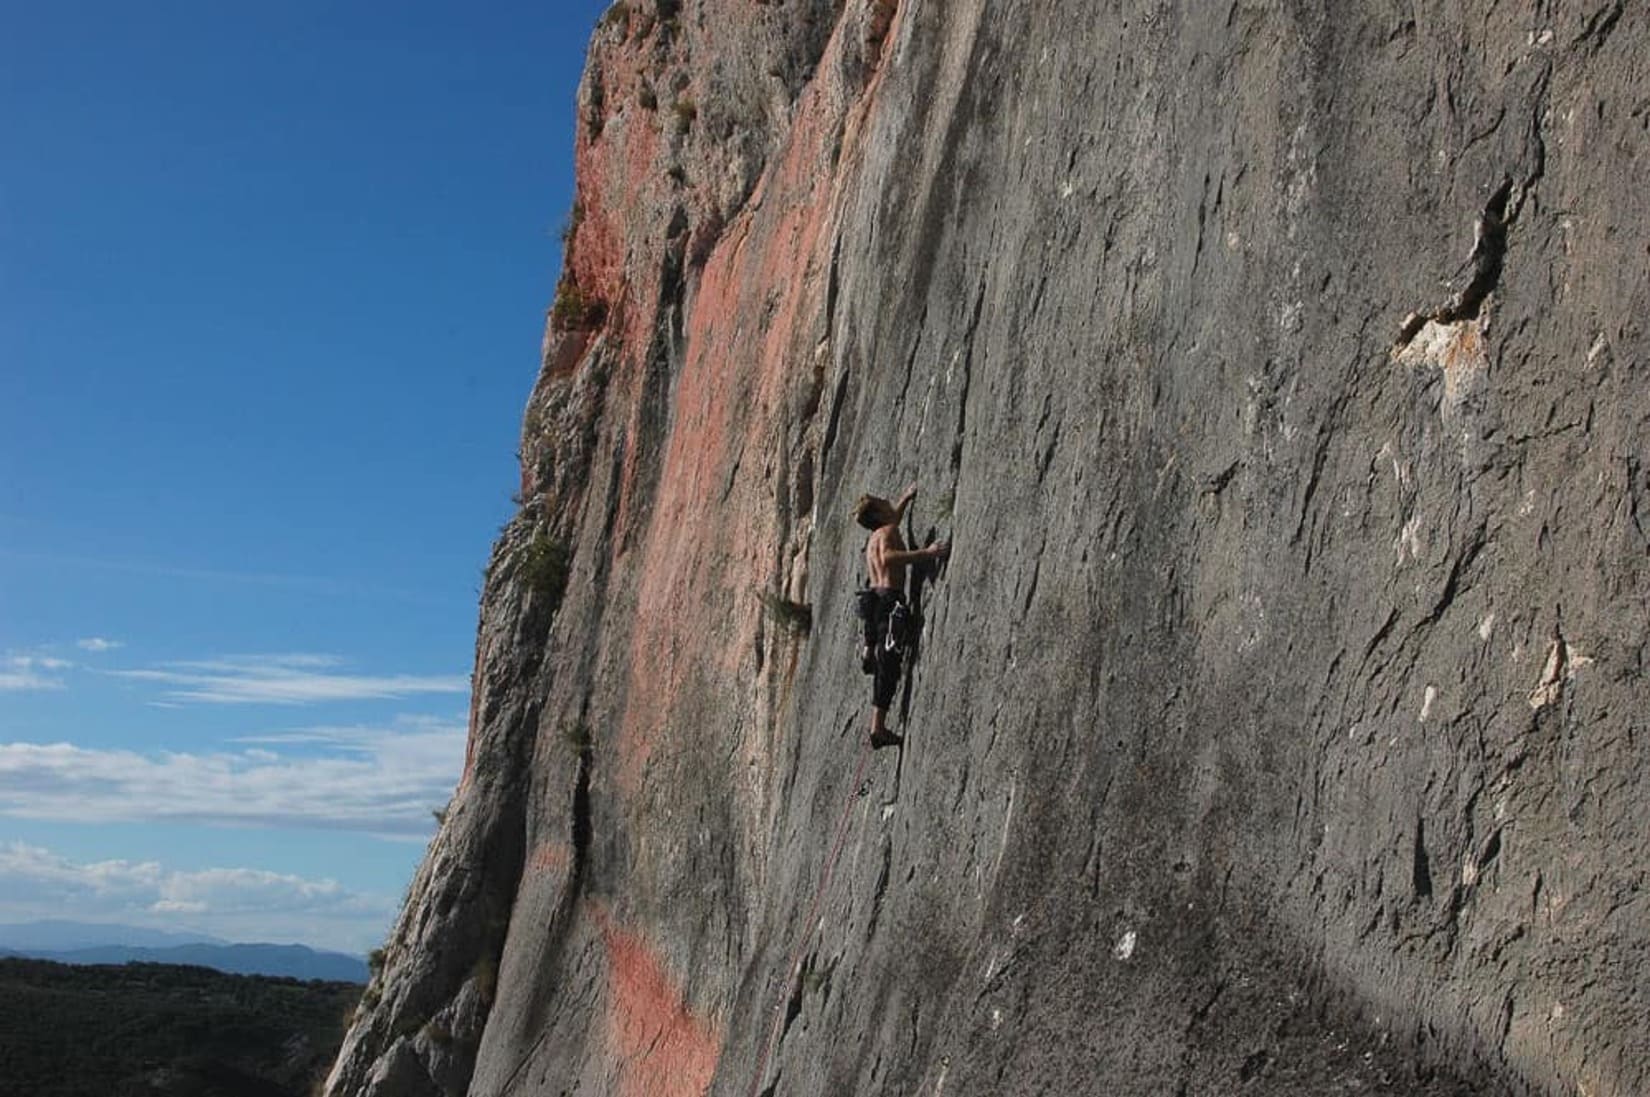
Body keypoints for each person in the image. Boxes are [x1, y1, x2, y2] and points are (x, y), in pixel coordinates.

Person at [853, 483, 949, 749]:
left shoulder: (875, 536)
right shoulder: (887, 533)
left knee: (881, 655)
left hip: (873, 598)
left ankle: (867, 650)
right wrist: (925, 554)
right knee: (890, 663)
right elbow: (890, 558)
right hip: (889, 601)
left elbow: (892, 519)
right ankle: (878, 726)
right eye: (883, 501)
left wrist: (905, 498)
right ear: (879, 514)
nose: (888, 499)